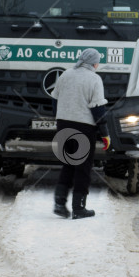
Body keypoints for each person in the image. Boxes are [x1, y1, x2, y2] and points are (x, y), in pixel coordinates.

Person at [51, 48, 110, 219]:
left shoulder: (66, 74)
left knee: (68, 163)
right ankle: (79, 208)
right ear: (94, 63)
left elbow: (55, 98)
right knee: (83, 168)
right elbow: (98, 110)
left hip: (63, 125)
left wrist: (60, 115)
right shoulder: (94, 79)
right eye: (98, 61)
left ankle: (59, 203)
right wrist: (104, 133)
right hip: (83, 127)